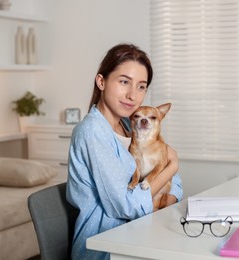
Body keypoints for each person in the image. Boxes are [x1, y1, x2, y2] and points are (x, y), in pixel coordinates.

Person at [66, 43, 183, 260]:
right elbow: (127, 206)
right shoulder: (92, 132)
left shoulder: (132, 126)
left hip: (143, 231)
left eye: (141, 87)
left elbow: (174, 183)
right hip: (107, 246)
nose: (132, 95)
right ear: (101, 81)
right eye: (124, 82)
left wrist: (165, 199)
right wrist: (172, 166)